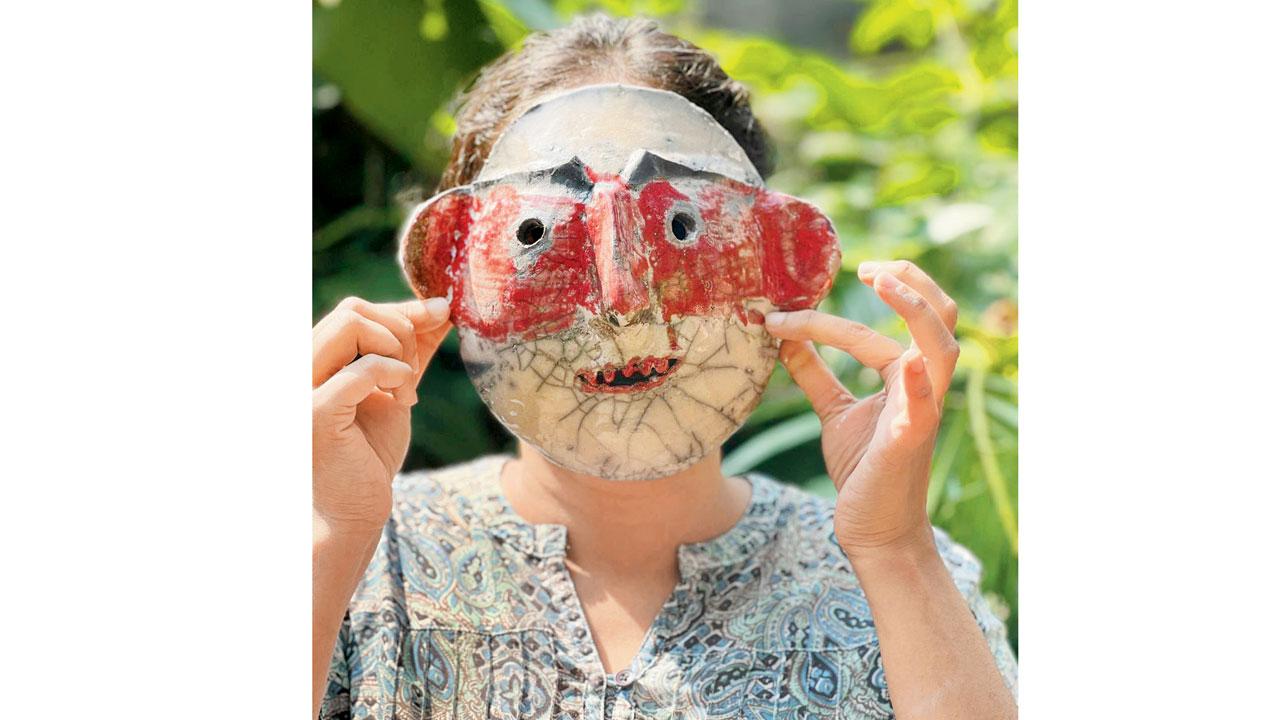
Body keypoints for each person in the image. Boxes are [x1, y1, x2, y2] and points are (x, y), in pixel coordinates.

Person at [313, 14, 1017, 720]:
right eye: (542, 238)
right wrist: (329, 531)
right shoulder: (364, 570)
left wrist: (896, 550)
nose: (624, 306)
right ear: (451, 266)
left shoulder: (903, 581)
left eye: (683, 229)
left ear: (787, 257)